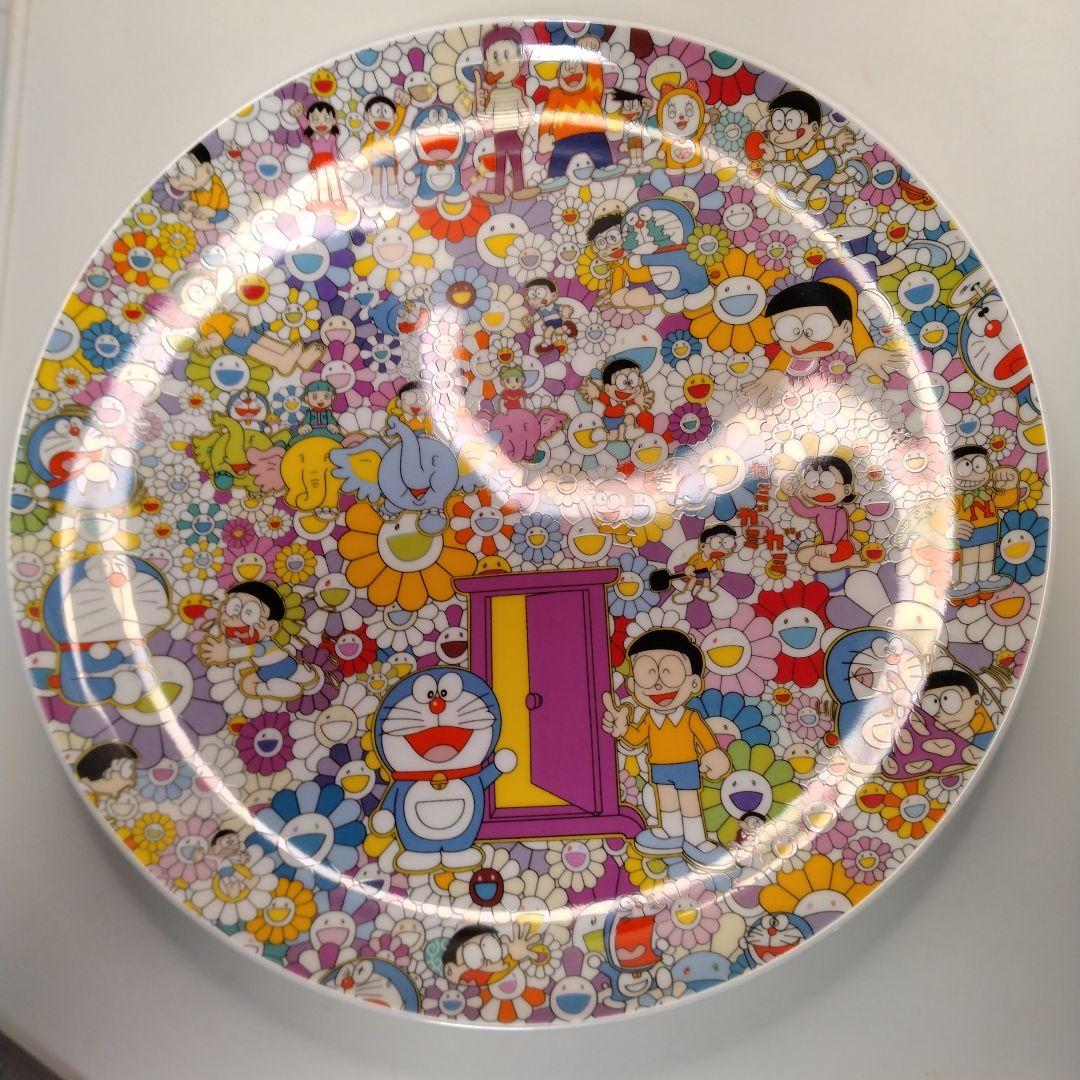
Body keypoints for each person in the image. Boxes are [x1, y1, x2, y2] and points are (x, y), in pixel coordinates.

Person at [602, 628, 730, 865]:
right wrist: (623, 729)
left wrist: (713, 754)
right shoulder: (649, 719)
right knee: (667, 801)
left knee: (689, 803)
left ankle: (696, 839)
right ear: (633, 685)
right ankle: (671, 833)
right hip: (659, 767)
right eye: (647, 673)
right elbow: (636, 738)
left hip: (686, 766)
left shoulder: (690, 718)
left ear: (693, 682)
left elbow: (706, 740)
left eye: (670, 672)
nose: (659, 685)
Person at [472, 26, 537, 203]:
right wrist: (479, 104)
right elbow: (485, 119)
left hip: (513, 134)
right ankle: (498, 192)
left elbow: (525, 115)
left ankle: (519, 189)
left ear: (520, 61)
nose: (500, 62)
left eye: (507, 55)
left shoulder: (516, 93)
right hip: (499, 135)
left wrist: (521, 132)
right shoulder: (493, 95)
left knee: (516, 162)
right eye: (495, 57)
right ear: (486, 65)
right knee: (499, 163)